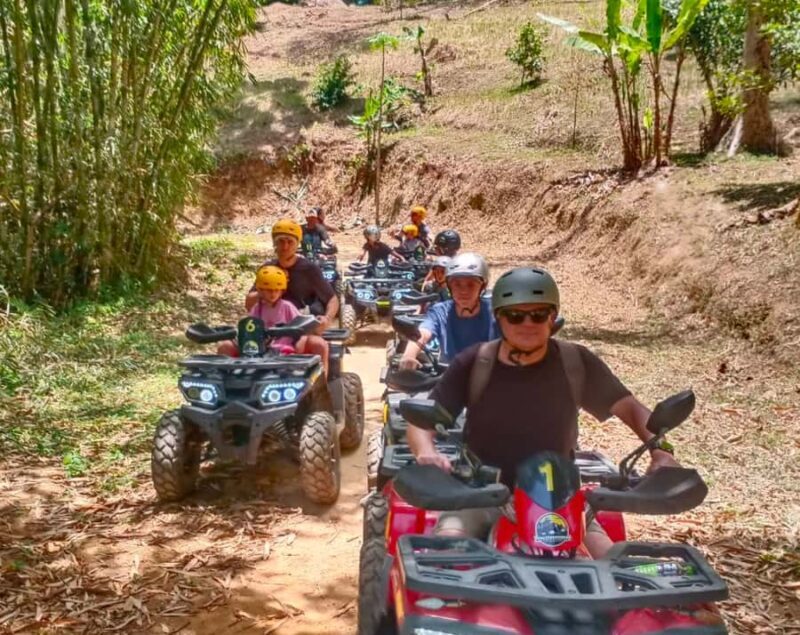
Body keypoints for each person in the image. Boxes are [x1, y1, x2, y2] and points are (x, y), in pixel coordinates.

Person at [406, 266, 680, 557]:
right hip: (482, 493)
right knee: (447, 552)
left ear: (553, 317)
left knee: (616, 567)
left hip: (559, 499)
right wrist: (426, 452)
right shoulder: (475, 363)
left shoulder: (575, 362)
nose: (528, 323)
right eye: (516, 315)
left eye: (538, 314)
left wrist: (661, 451)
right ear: (499, 317)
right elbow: (422, 422)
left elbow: (631, 408)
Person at [246, 219, 338, 375]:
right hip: (268, 331)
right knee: (229, 347)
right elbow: (248, 303)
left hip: (301, 328)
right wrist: (267, 288)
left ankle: (321, 393)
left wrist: (327, 319)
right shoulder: (267, 270)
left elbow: (332, 299)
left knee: (320, 346)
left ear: (297, 243)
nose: (285, 246)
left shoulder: (309, 269)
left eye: (290, 241)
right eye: (280, 241)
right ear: (274, 243)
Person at [399, 252, 498, 366]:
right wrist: (408, 356)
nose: (463, 291)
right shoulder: (440, 312)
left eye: (471, 284)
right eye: (457, 284)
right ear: (449, 286)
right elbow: (423, 333)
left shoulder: (495, 312)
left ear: (483, 286)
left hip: (490, 377)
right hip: (448, 376)